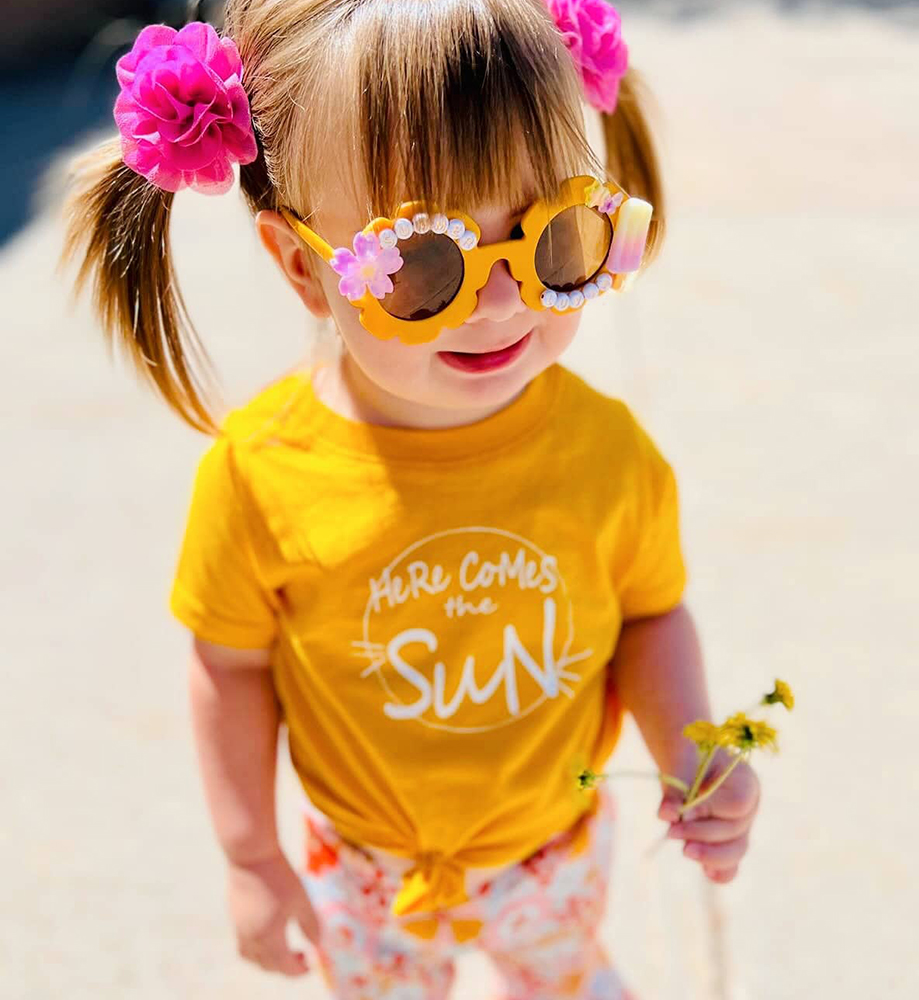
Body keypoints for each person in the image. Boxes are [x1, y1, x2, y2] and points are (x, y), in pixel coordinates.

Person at [64, 2, 761, 997]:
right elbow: (228, 669)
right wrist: (251, 856)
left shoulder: (607, 452)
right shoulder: (264, 474)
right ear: (303, 265)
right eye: (428, 263)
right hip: (359, 870)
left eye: (555, 237)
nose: (505, 299)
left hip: (555, 848)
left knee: (558, 974)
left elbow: (647, 616)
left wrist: (691, 747)